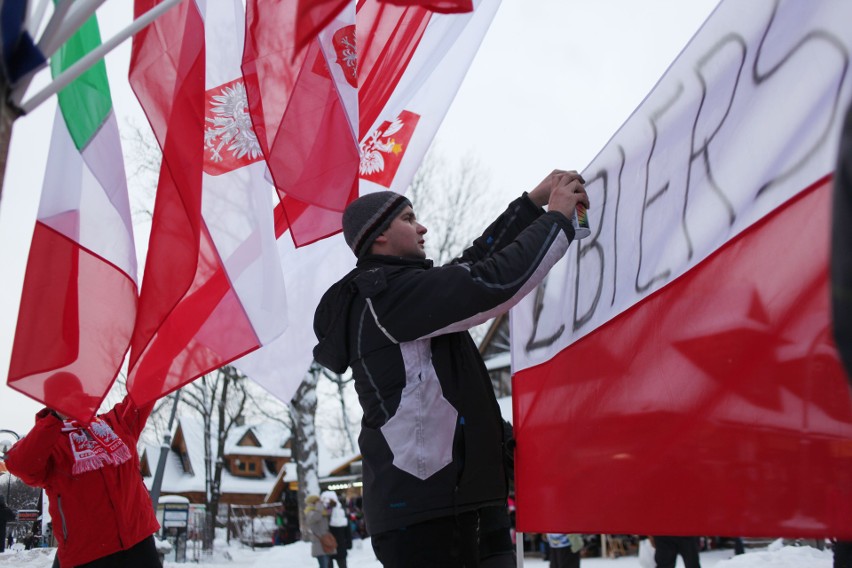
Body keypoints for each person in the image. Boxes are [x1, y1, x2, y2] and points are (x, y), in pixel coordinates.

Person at [313, 170, 590, 567]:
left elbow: (475, 261)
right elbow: (489, 283)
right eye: (409, 218)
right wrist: (558, 220)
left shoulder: (402, 292)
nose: (421, 226)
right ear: (379, 236)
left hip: (463, 501)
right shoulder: (385, 298)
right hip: (428, 514)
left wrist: (531, 204)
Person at [4, 386, 161, 568]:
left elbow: (145, 391)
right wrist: (55, 418)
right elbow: (20, 465)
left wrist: (158, 359)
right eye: (68, 397)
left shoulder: (115, 423)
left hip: (139, 545)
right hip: (86, 554)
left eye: (81, 395)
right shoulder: (49, 440)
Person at [321, 491, 352, 568]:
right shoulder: (341, 511)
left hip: (328, 544)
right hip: (340, 543)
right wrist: (349, 543)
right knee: (342, 564)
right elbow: (347, 530)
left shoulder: (323, 513)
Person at [305, 494, 336, 568]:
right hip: (319, 543)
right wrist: (319, 506)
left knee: (328, 565)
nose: (320, 503)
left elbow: (329, 513)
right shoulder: (310, 512)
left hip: (326, 541)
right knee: (323, 565)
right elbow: (317, 517)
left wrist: (331, 504)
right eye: (318, 501)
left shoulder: (321, 511)